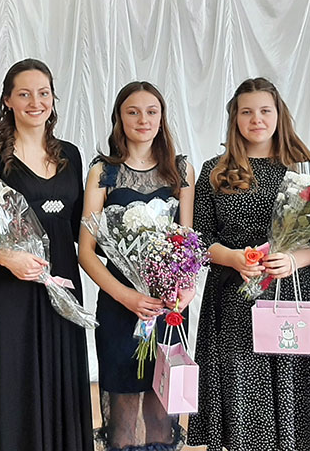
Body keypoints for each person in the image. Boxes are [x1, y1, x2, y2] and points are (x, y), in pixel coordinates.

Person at [187, 77, 310, 451]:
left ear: (278, 114)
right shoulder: (214, 171)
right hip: (234, 301)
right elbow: (200, 239)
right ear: (235, 118)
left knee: (295, 397)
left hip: (293, 298)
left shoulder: (305, 167)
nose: (256, 119)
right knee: (244, 398)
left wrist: (293, 259)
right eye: (247, 112)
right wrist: (233, 258)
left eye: (265, 111)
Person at [0, 58, 92, 451]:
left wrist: (145, 253)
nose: (36, 102)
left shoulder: (71, 155)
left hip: (61, 289)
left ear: (53, 98)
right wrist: (5, 257)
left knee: (60, 382)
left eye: (43, 93)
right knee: (11, 384)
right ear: (8, 101)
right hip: (7, 291)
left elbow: (79, 228)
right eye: (24, 94)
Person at [78, 81, 196, 451]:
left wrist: (187, 289)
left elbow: (188, 243)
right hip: (119, 306)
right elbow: (86, 251)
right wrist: (126, 296)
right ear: (119, 118)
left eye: (151, 111)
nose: (143, 119)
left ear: (161, 118)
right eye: (133, 112)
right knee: (124, 410)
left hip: (167, 305)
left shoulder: (181, 170)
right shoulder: (103, 172)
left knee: (162, 408)